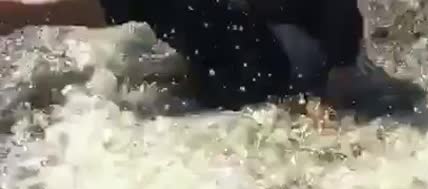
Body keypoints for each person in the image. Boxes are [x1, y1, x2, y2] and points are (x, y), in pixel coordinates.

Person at [0, 0, 364, 110]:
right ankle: (22, 16)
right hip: (260, 38)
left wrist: (330, 103)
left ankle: (19, 17)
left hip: (289, 64)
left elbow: (344, 18)